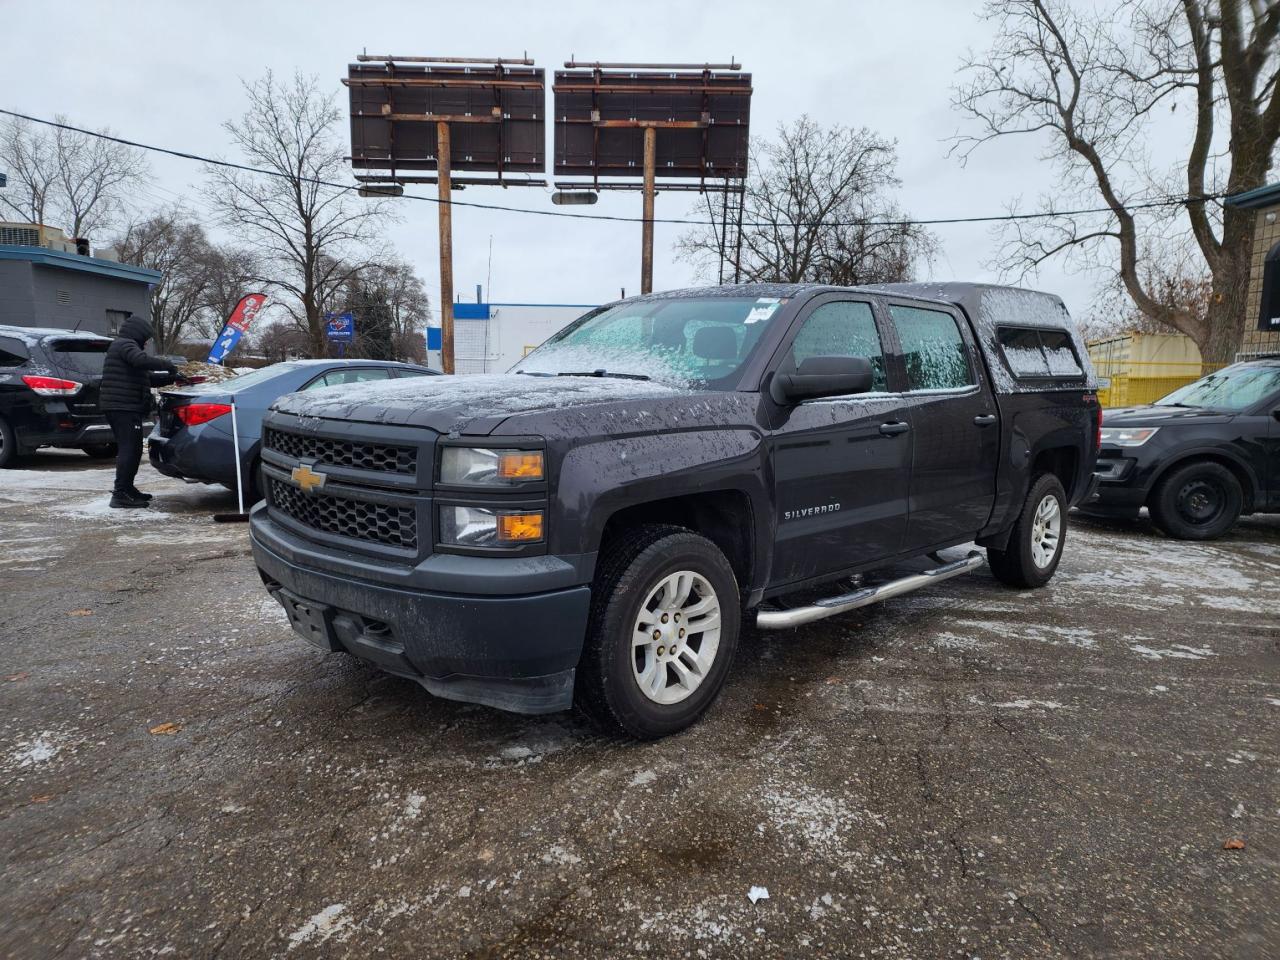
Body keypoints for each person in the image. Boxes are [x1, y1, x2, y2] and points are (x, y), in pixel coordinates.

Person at [100, 314, 178, 508]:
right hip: (122, 407)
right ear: (138, 334)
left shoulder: (123, 347)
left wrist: (173, 379)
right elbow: (141, 361)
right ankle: (120, 494)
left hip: (122, 406)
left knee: (132, 449)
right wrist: (167, 364)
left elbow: (146, 377)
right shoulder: (125, 345)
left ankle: (127, 489)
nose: (146, 343)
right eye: (146, 339)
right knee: (129, 449)